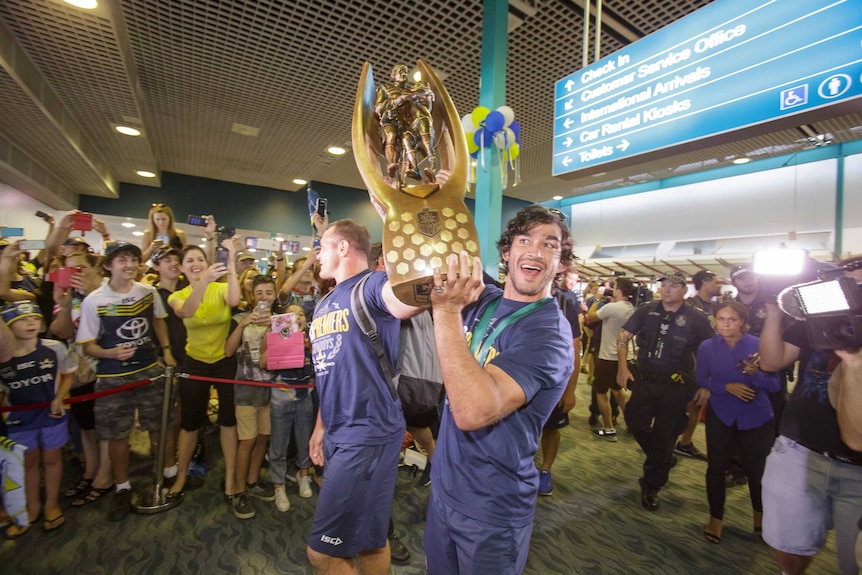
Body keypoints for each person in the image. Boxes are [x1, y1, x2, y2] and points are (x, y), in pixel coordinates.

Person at [424, 205, 575, 574]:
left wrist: (445, 312)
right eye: (525, 240)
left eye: (549, 245)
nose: (536, 251)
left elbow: (474, 412)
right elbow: (438, 252)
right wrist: (436, 202)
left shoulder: (549, 334)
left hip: (492, 506)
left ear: (562, 263)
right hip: (446, 489)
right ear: (507, 253)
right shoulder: (487, 299)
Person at [306, 218, 422, 575]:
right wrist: (320, 427)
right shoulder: (324, 304)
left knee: (322, 554)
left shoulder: (372, 285)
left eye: (323, 246)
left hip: (368, 432)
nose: (317, 255)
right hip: (340, 431)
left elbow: (403, 301)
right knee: (371, 540)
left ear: (343, 247)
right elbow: (329, 371)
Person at [759, 257, 862, 575]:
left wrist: (853, 362)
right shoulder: (820, 320)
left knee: (852, 562)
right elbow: (771, 361)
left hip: (858, 472)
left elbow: (857, 439)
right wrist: (775, 311)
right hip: (800, 450)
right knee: (790, 552)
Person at [76, 241, 177, 521]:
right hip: (111, 377)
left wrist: (166, 350)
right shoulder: (93, 300)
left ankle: (167, 474)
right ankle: (122, 487)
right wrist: (109, 352)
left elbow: (159, 322)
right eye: (122, 260)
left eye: (133, 258)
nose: (129, 264)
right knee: (117, 435)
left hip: (149, 371)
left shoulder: (149, 292)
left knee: (160, 426)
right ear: (107, 265)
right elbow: (86, 345)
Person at [617, 271, 714, 512]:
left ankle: (652, 484)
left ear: (684, 290)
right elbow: (623, 336)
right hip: (645, 380)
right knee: (634, 421)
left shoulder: (696, 318)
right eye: (665, 285)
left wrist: (706, 383)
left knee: (665, 433)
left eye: (674, 285)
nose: (667, 289)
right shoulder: (646, 311)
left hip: (677, 385)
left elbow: (709, 351)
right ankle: (662, 458)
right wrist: (621, 367)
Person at [693, 301, 779, 544]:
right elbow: (701, 378)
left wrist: (757, 375)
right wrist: (725, 387)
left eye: (731, 319)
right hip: (721, 413)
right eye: (721, 319)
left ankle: (760, 517)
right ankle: (716, 517)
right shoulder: (707, 347)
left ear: (742, 321)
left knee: (757, 471)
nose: (726, 324)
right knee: (716, 468)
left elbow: (775, 385)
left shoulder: (759, 344)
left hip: (756, 416)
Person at [166, 241, 240, 507]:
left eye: (200, 259)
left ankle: (231, 478)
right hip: (194, 362)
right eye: (190, 261)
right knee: (190, 423)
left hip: (224, 362)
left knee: (228, 422)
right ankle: (181, 476)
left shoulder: (220, 288)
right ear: (183, 268)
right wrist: (203, 283)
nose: (196, 263)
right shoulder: (177, 295)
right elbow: (187, 311)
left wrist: (231, 260)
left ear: (208, 263)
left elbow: (235, 300)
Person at [0, 301, 76, 538]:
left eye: (34, 318)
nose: (30, 323)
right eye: (22, 320)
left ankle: (51, 504)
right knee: (28, 463)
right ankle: (31, 506)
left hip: (52, 415)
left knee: (53, 459)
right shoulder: (3, 358)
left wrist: (59, 398)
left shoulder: (54, 348)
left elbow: (69, 374)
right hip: (20, 419)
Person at [48, 249, 115, 507]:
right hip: (80, 371)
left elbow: (112, 328)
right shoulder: (71, 298)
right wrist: (65, 306)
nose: (75, 274)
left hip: (106, 368)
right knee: (86, 425)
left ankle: (104, 477)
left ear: (97, 268)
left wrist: (90, 294)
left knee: (106, 427)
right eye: (70, 269)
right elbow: (61, 332)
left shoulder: (108, 291)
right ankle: (90, 471)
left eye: (80, 268)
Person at [224, 274, 277, 519]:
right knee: (247, 440)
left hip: (270, 390)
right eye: (259, 293)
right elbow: (227, 351)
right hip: (245, 389)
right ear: (251, 296)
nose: (264, 297)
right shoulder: (238, 318)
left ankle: (253, 480)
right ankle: (238, 490)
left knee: (263, 437)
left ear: (275, 295)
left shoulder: (280, 321)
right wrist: (244, 324)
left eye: (268, 292)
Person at [260, 302, 316, 512]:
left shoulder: (313, 338)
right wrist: (277, 343)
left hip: (305, 398)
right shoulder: (274, 336)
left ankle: (303, 475)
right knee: (279, 444)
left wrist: (309, 347)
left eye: (300, 314)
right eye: (291, 315)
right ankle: (278, 486)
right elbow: (263, 363)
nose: (297, 317)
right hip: (281, 400)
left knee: (305, 440)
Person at [588, 277, 636, 441]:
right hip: (625, 357)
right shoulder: (631, 308)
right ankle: (632, 423)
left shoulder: (612, 308)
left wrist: (597, 298)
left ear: (619, 291)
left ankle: (608, 429)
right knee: (618, 391)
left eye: (614, 288)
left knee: (601, 392)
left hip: (608, 357)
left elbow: (591, 316)